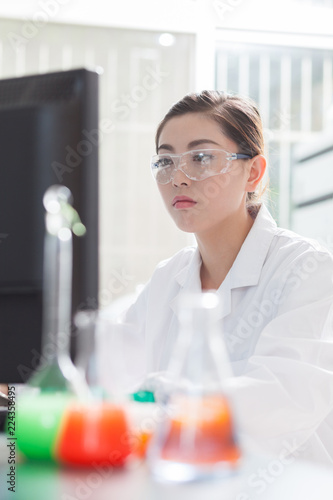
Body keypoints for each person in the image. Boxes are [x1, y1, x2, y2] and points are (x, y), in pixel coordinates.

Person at [98, 90, 333, 466]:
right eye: (165, 161)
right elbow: (111, 378)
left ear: (253, 172)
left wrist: (159, 395)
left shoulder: (308, 269)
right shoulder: (167, 279)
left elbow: (283, 397)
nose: (178, 177)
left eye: (201, 157)